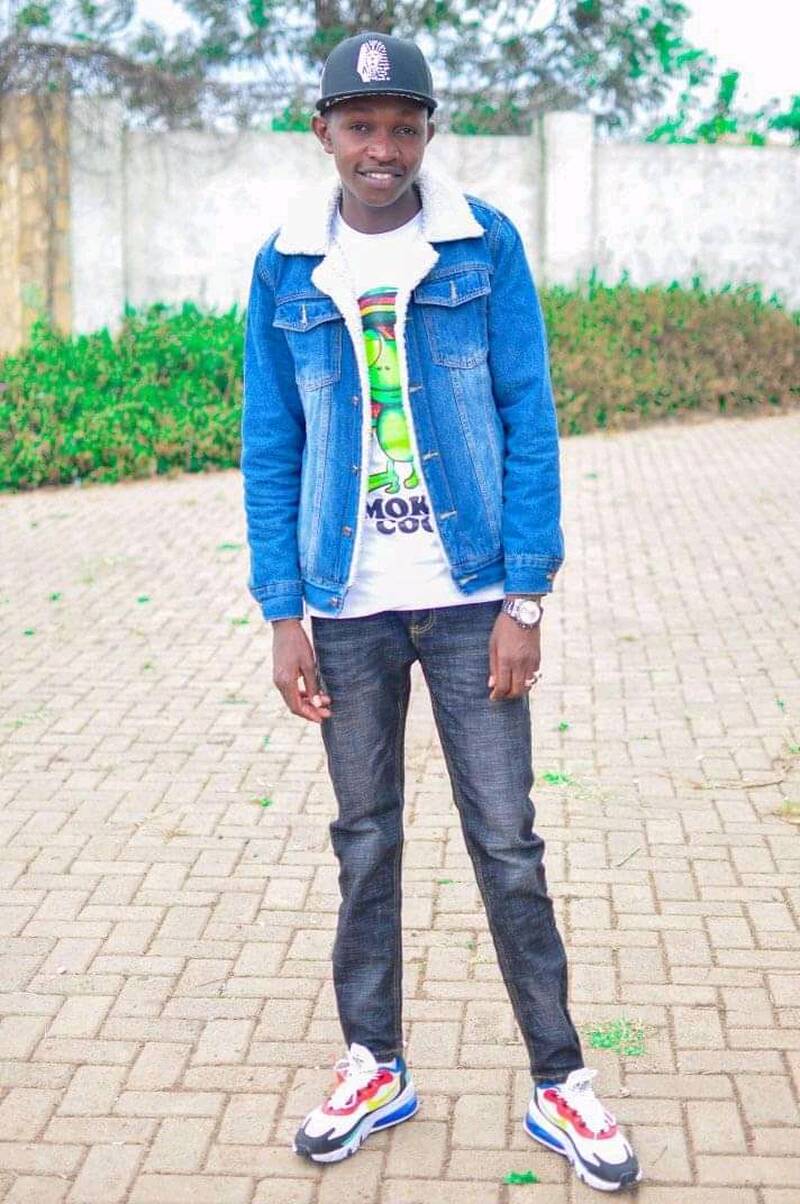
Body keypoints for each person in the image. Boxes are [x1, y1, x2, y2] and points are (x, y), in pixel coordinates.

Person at [241, 30, 641, 1193]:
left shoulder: (479, 243)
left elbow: (528, 416)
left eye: (402, 125)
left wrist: (525, 595)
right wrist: (282, 612)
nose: (382, 147)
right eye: (360, 124)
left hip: (470, 601)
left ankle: (559, 1080)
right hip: (346, 605)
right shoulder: (283, 266)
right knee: (364, 840)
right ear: (322, 130)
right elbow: (270, 446)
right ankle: (373, 1064)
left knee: (506, 842)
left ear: (427, 132)